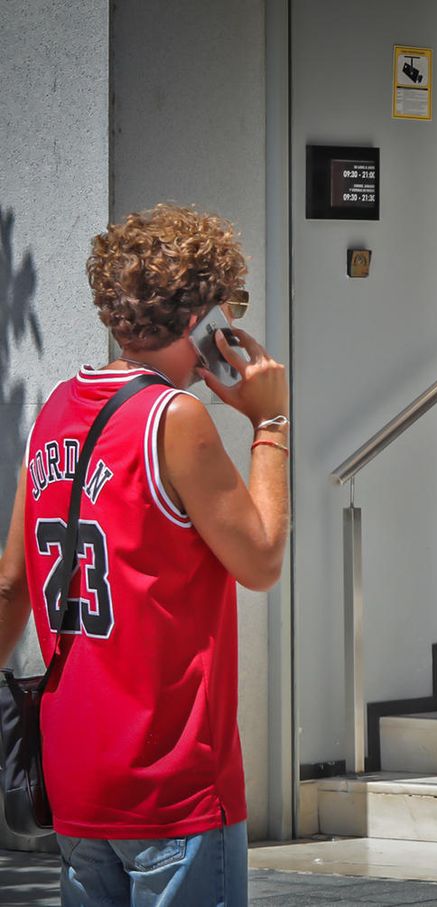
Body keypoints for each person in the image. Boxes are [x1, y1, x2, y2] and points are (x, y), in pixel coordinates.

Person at [0, 204, 290, 904]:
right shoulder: (175, 418)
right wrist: (272, 420)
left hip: (75, 773)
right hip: (173, 782)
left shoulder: (55, 408)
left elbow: (11, 586)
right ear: (200, 319)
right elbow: (261, 561)